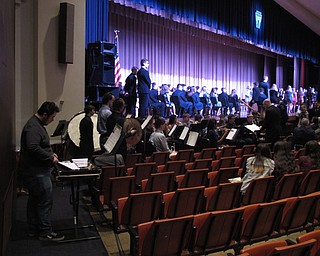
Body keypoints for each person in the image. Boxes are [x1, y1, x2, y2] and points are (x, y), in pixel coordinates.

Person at [18, 101, 64, 241]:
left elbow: (39, 146)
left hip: (36, 171)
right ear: (44, 114)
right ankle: (45, 232)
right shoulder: (33, 127)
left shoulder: (37, 124)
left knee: (35, 201)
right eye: (52, 117)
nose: (53, 120)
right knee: (44, 202)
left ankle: (33, 230)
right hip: (36, 172)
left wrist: (51, 154)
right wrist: (49, 156)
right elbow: (32, 147)